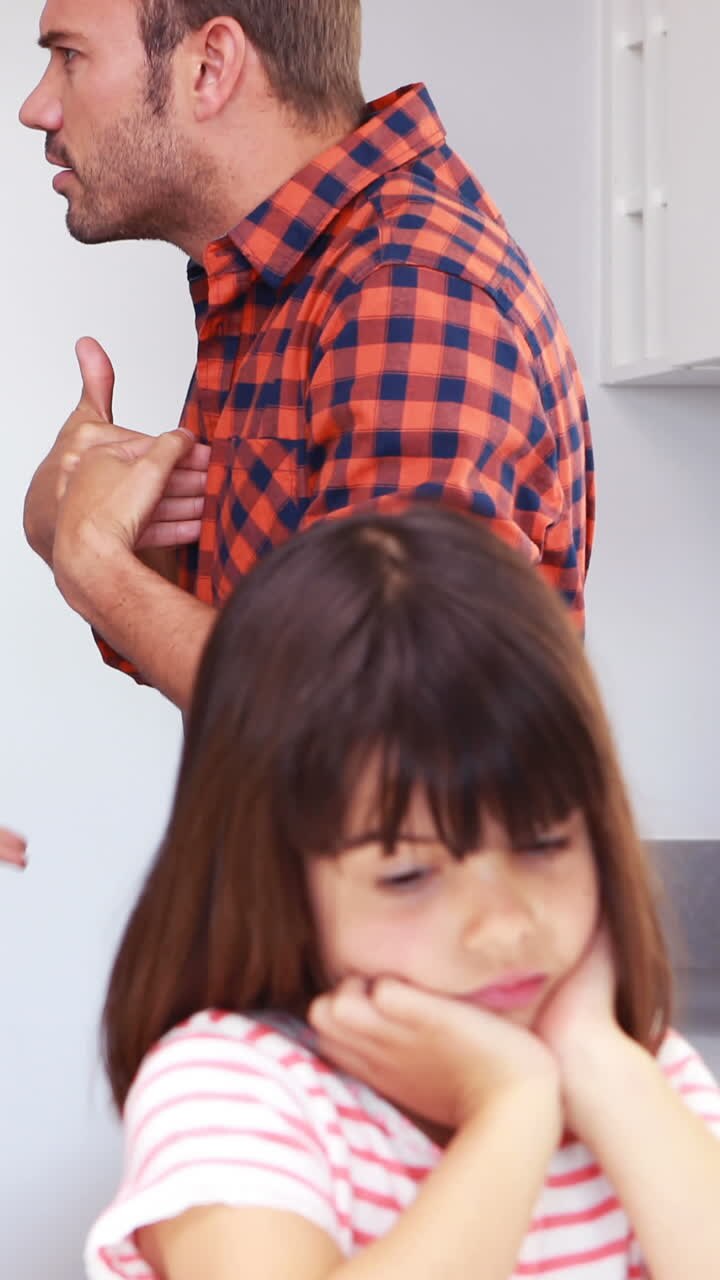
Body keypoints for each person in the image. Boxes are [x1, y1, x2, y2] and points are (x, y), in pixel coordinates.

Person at [85, 506, 719, 1280]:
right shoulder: (234, 1086)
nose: (503, 927)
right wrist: (511, 1109)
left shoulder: (638, 1071)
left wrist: (597, 1061)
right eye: (408, 875)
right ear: (279, 878)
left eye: (545, 843)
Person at [20, 0, 594, 712]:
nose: (35, 107)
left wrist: (95, 566)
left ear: (211, 67)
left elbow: (381, 723)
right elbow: (264, 652)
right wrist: (90, 530)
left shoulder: (403, 291)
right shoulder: (284, 278)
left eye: (70, 56)